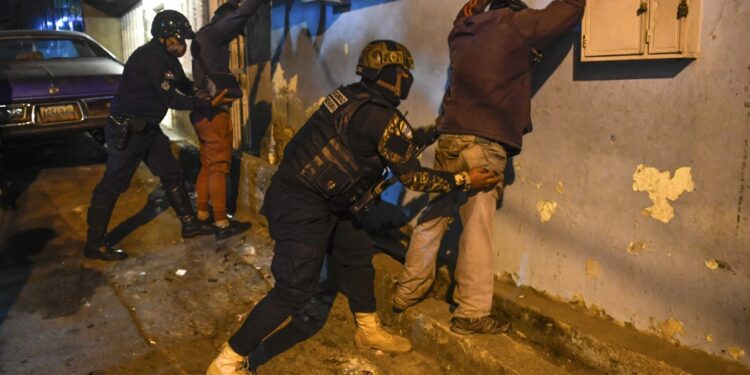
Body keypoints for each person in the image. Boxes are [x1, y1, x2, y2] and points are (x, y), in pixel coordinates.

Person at [206, 40, 501, 375]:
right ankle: (229, 360)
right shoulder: (381, 116)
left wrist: (434, 131)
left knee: (358, 253)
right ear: (394, 74)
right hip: (304, 207)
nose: (408, 79)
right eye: (405, 73)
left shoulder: (351, 96)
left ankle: (368, 330)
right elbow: (415, 177)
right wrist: (464, 180)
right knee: (293, 291)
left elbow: (387, 147)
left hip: (324, 199)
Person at [393, 0, 585, 334]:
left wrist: (476, 3)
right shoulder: (516, 25)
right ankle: (471, 313)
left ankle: (407, 292)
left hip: (450, 136)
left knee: (434, 216)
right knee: (477, 226)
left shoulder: (460, 33)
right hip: (484, 143)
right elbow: (569, 9)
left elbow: (463, 14)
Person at [83, 10, 233, 261]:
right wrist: (203, 105)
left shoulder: (167, 58)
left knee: (171, 173)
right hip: (128, 131)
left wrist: (202, 90)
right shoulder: (151, 59)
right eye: (179, 39)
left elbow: (182, 84)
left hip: (149, 129)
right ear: (165, 38)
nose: (182, 45)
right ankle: (94, 243)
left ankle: (190, 224)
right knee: (113, 184)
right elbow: (171, 98)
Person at [191, 0, 267, 240]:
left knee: (207, 165)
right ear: (226, 22)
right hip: (214, 113)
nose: (234, 37)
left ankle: (202, 215)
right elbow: (241, 14)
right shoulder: (214, 35)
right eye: (234, 32)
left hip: (200, 112)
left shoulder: (202, 39)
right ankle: (222, 223)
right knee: (219, 168)